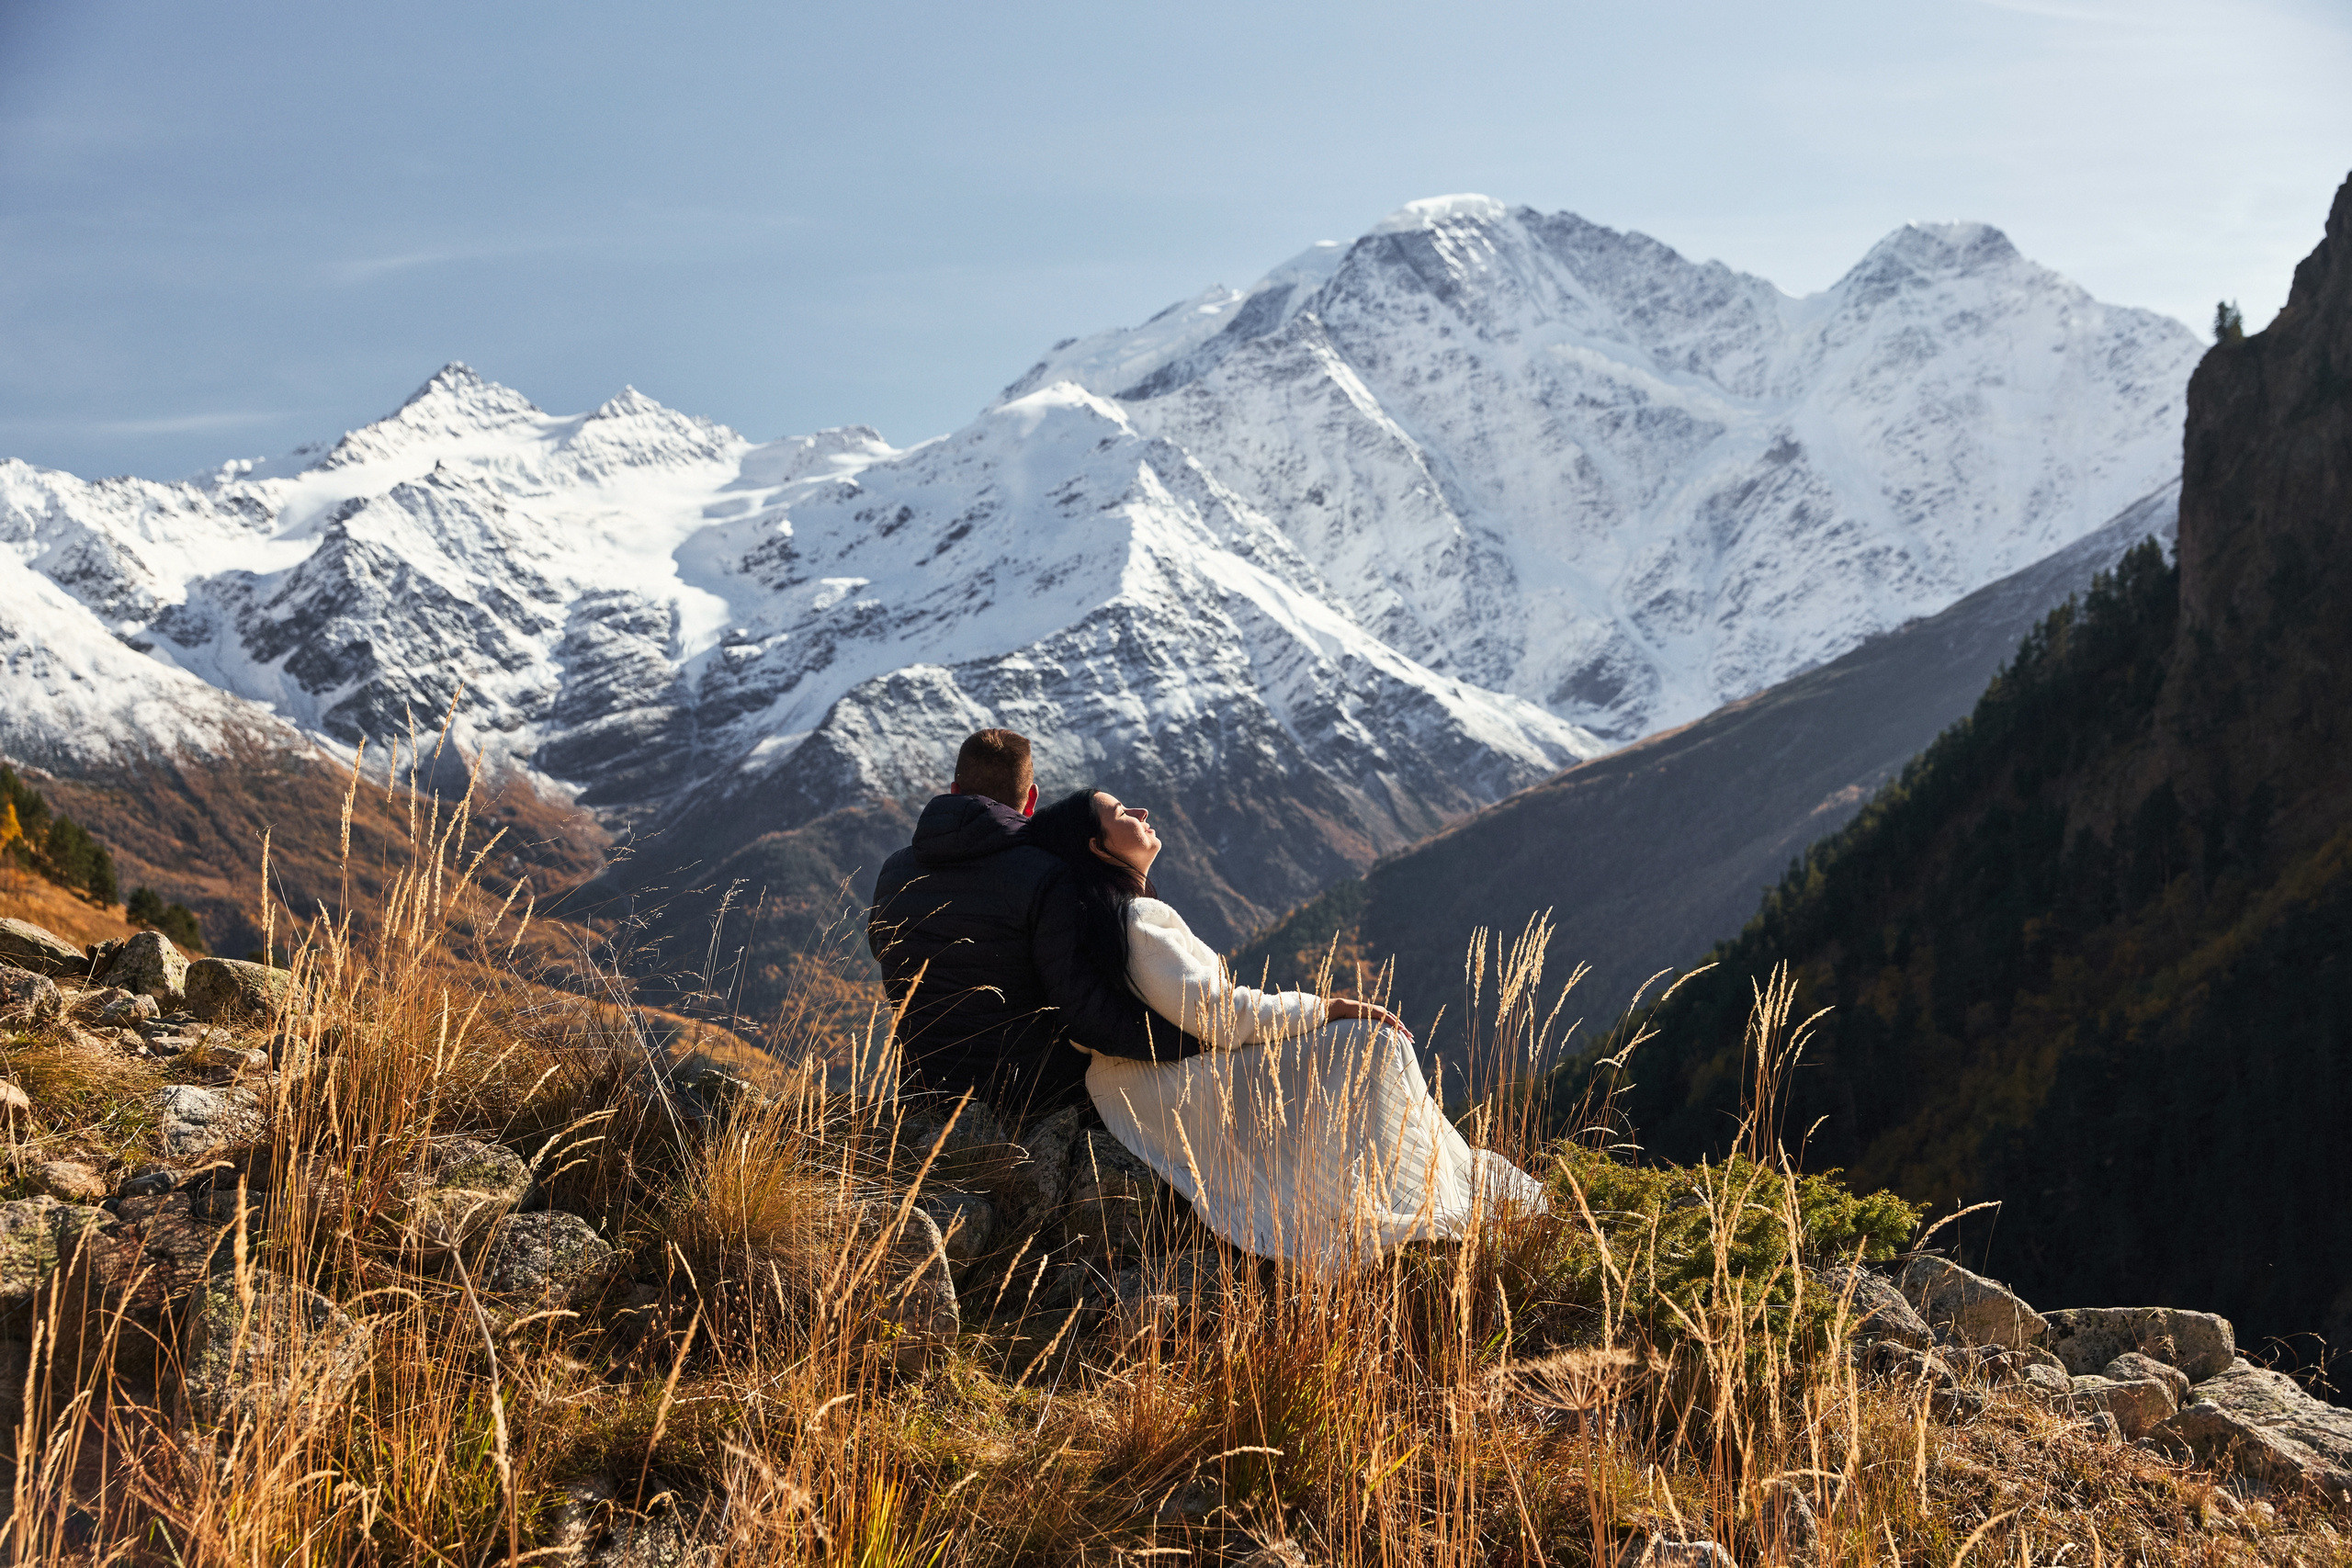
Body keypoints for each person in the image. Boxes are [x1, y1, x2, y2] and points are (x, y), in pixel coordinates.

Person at [1020, 787, 1546, 1267]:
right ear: (1096, 846)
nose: (1141, 812)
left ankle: (1389, 1193)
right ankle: (1400, 1200)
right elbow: (1220, 1014)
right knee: (1372, 1043)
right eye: (1120, 813)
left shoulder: (1115, 919)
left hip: (1158, 1081)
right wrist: (1327, 1007)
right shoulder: (1135, 920)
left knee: (1365, 1045)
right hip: (1177, 1086)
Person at [866, 730, 1210, 1129]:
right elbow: (1086, 1016)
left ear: (954, 790)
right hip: (1029, 1107)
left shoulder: (894, 871)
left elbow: (887, 955)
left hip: (920, 1098)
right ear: (1030, 800)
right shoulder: (1047, 876)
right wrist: (1196, 1044)